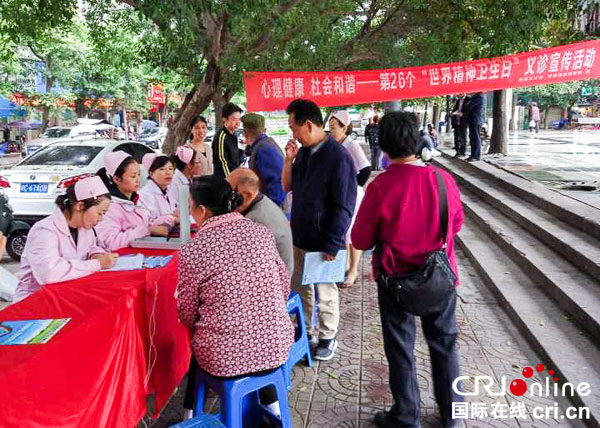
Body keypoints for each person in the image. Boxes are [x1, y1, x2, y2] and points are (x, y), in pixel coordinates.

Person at [351, 111, 464, 428]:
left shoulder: (381, 187)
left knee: (401, 349)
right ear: (417, 141)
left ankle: (406, 416)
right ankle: (452, 415)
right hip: (440, 279)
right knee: (445, 345)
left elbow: (359, 240)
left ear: (384, 145)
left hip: (395, 283)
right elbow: (456, 224)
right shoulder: (443, 179)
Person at [177, 175, 294, 419]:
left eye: (189, 206)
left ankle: (190, 416)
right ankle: (274, 412)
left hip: (224, 360)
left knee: (199, 349)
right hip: (277, 347)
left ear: (201, 210)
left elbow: (187, 315)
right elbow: (283, 288)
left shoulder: (193, 250)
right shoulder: (261, 232)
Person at [282, 99, 357, 361]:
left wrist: (333, 242)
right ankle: (304, 334)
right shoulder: (303, 153)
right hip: (301, 234)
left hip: (324, 239)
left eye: (294, 128)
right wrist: (289, 160)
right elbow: (287, 185)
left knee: (325, 291)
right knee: (302, 289)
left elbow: (344, 205)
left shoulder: (338, 158)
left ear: (309, 125)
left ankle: (327, 337)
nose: (293, 134)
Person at [13, 176, 118, 302]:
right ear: (79, 206)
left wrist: (95, 254)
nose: (101, 219)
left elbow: (90, 248)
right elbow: (49, 273)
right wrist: (97, 264)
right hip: (36, 300)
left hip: (67, 295)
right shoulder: (44, 231)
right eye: (100, 213)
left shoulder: (84, 227)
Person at [329, 110, 371, 288]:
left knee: (352, 232)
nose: (331, 131)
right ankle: (346, 265)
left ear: (344, 127)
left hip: (352, 193)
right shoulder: (335, 144)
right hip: (341, 193)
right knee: (344, 230)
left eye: (333, 128)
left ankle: (353, 269)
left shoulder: (351, 145)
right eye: (329, 128)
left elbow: (366, 169)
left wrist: (354, 186)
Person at [95, 151, 169, 250]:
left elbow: (146, 224)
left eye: (139, 174)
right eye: (133, 176)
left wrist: (170, 219)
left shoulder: (133, 200)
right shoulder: (109, 207)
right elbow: (110, 242)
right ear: (117, 179)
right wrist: (147, 230)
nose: (138, 180)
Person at [227, 168, 293, 275]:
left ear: (248, 195)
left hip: (275, 282)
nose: (228, 196)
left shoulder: (255, 220)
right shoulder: (262, 201)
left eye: (231, 191)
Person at [241, 113, 286, 206]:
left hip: (274, 205)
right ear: (264, 130)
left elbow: (275, 181)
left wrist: (270, 207)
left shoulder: (264, 148)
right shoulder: (266, 144)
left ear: (245, 133)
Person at [138, 153, 178, 227]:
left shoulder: (169, 190)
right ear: (151, 173)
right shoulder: (144, 195)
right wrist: (172, 218)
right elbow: (148, 224)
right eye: (162, 169)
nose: (168, 173)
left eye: (170, 169)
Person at [212, 102, 243, 177]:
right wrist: (231, 183)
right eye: (234, 120)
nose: (237, 123)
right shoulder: (221, 137)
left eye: (239, 120)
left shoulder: (233, 135)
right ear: (224, 119)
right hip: (225, 182)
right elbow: (223, 163)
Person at [465, 92, 484, 161]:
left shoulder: (478, 96)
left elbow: (469, 106)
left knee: (475, 138)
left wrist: (468, 103)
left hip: (475, 120)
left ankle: (476, 156)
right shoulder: (475, 96)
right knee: (472, 138)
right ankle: (473, 154)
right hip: (472, 120)